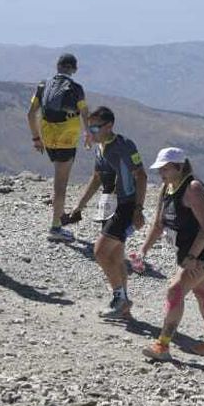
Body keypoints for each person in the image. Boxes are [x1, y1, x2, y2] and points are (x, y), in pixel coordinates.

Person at [137, 147, 204, 359]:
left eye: (165, 169)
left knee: (175, 289)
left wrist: (192, 258)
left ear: (179, 167)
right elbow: (158, 224)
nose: (161, 173)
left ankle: (162, 345)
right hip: (187, 249)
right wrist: (143, 250)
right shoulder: (166, 188)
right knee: (202, 291)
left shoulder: (193, 188)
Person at [67, 107, 146, 319]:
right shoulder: (100, 147)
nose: (90, 132)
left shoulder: (124, 146)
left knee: (100, 252)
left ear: (109, 126)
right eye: (89, 127)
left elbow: (141, 176)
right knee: (116, 256)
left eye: (94, 127)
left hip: (125, 205)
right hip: (108, 205)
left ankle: (120, 298)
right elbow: (97, 177)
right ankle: (124, 307)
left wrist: (138, 209)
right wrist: (80, 205)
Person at [26, 53, 88, 242]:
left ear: (58, 66)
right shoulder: (76, 88)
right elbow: (85, 113)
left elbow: (30, 114)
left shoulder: (43, 85)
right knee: (60, 186)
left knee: (58, 182)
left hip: (48, 138)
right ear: (74, 69)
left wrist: (36, 138)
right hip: (66, 140)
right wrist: (90, 135)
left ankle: (57, 224)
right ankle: (55, 227)